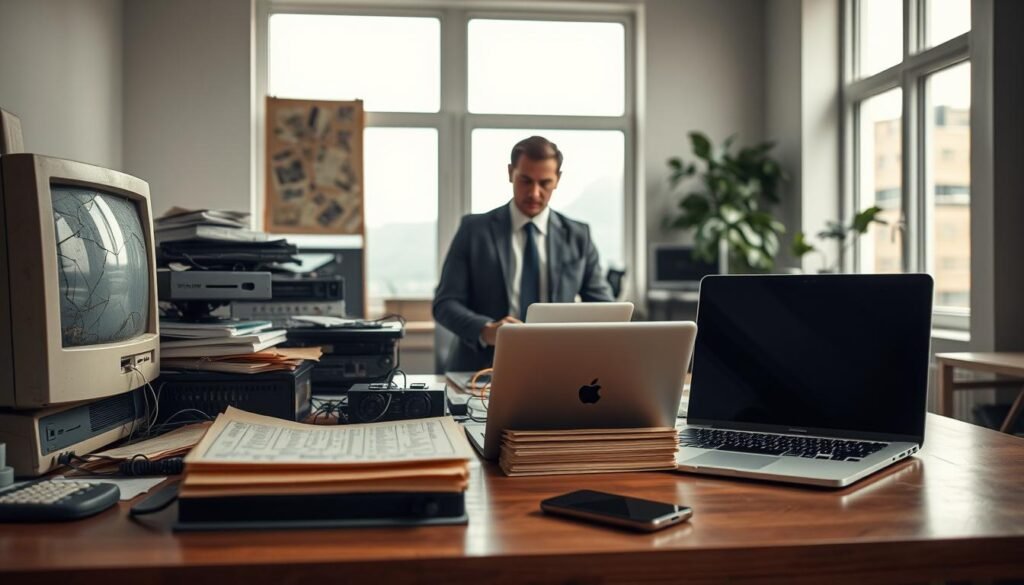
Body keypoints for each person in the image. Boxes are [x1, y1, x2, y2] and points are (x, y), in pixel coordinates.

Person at [433, 135, 614, 372]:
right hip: (482, 371)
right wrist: (486, 330)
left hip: (559, 368)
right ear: (511, 173)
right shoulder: (473, 231)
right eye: (525, 181)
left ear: (558, 179)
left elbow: (605, 310)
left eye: (545, 183)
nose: (535, 193)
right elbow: (445, 304)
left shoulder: (579, 236)